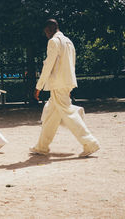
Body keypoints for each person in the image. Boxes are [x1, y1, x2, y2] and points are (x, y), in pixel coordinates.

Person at [31, 19, 100, 157]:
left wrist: (39, 86)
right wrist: (69, 85)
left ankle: (90, 142)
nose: (45, 34)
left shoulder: (53, 42)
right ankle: (42, 146)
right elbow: (71, 64)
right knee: (51, 115)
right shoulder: (69, 42)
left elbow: (48, 66)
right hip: (66, 82)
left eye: (46, 31)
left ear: (50, 29)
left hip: (58, 83)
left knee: (69, 114)